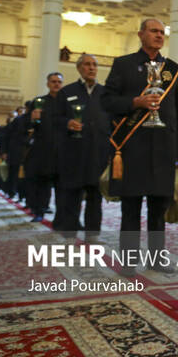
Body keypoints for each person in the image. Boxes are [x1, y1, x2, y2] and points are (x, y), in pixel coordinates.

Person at [102, 18, 178, 276]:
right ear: (141, 34)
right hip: (132, 148)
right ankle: (127, 263)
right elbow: (107, 101)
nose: (159, 35)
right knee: (131, 208)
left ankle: (157, 259)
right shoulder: (123, 65)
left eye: (162, 32)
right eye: (154, 31)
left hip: (163, 148)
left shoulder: (172, 68)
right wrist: (136, 102)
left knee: (158, 211)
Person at [58, 54, 110, 240]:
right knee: (72, 194)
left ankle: (92, 233)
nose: (91, 68)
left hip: (98, 153)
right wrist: (67, 123)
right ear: (79, 68)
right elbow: (56, 119)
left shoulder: (105, 93)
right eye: (87, 64)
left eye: (94, 65)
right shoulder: (67, 92)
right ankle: (70, 230)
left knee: (95, 196)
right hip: (74, 153)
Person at [26, 73, 66, 223]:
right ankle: (39, 212)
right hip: (44, 149)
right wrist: (33, 119)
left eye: (59, 82)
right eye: (53, 82)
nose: (56, 84)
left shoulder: (67, 102)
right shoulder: (39, 102)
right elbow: (28, 127)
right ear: (48, 84)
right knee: (43, 183)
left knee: (63, 186)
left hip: (63, 150)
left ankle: (62, 216)